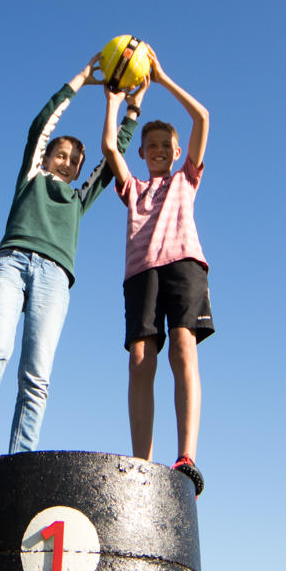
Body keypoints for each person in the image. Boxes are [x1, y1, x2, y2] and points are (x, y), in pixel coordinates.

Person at [0, 56, 139, 484]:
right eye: (60, 154)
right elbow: (42, 123)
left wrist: (128, 107)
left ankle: (20, 462)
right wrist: (84, 78)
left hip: (55, 279)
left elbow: (115, 152)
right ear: (46, 156)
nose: (67, 162)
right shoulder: (31, 177)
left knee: (37, 376)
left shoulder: (79, 198)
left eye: (74, 160)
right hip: (12, 263)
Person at [99, 57, 211, 485]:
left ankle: (185, 456)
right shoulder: (134, 189)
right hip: (141, 273)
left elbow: (202, 117)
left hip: (183, 264)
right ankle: (141, 463)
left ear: (178, 152)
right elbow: (111, 147)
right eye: (152, 146)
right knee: (141, 361)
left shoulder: (187, 179)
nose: (160, 151)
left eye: (167, 145)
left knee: (184, 348)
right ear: (143, 154)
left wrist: (161, 79)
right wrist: (115, 101)